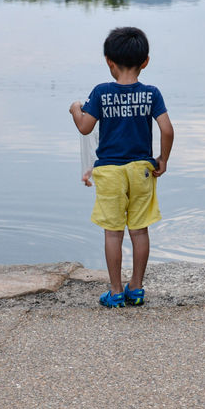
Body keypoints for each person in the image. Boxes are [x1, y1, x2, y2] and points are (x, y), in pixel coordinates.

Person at [70, 27, 174, 307]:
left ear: (109, 62)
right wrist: (163, 159)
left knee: (113, 233)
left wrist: (75, 108)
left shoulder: (101, 92)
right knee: (139, 231)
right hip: (142, 170)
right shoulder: (152, 94)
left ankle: (116, 291)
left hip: (110, 172)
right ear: (145, 61)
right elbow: (166, 129)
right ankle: (136, 288)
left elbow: (85, 127)